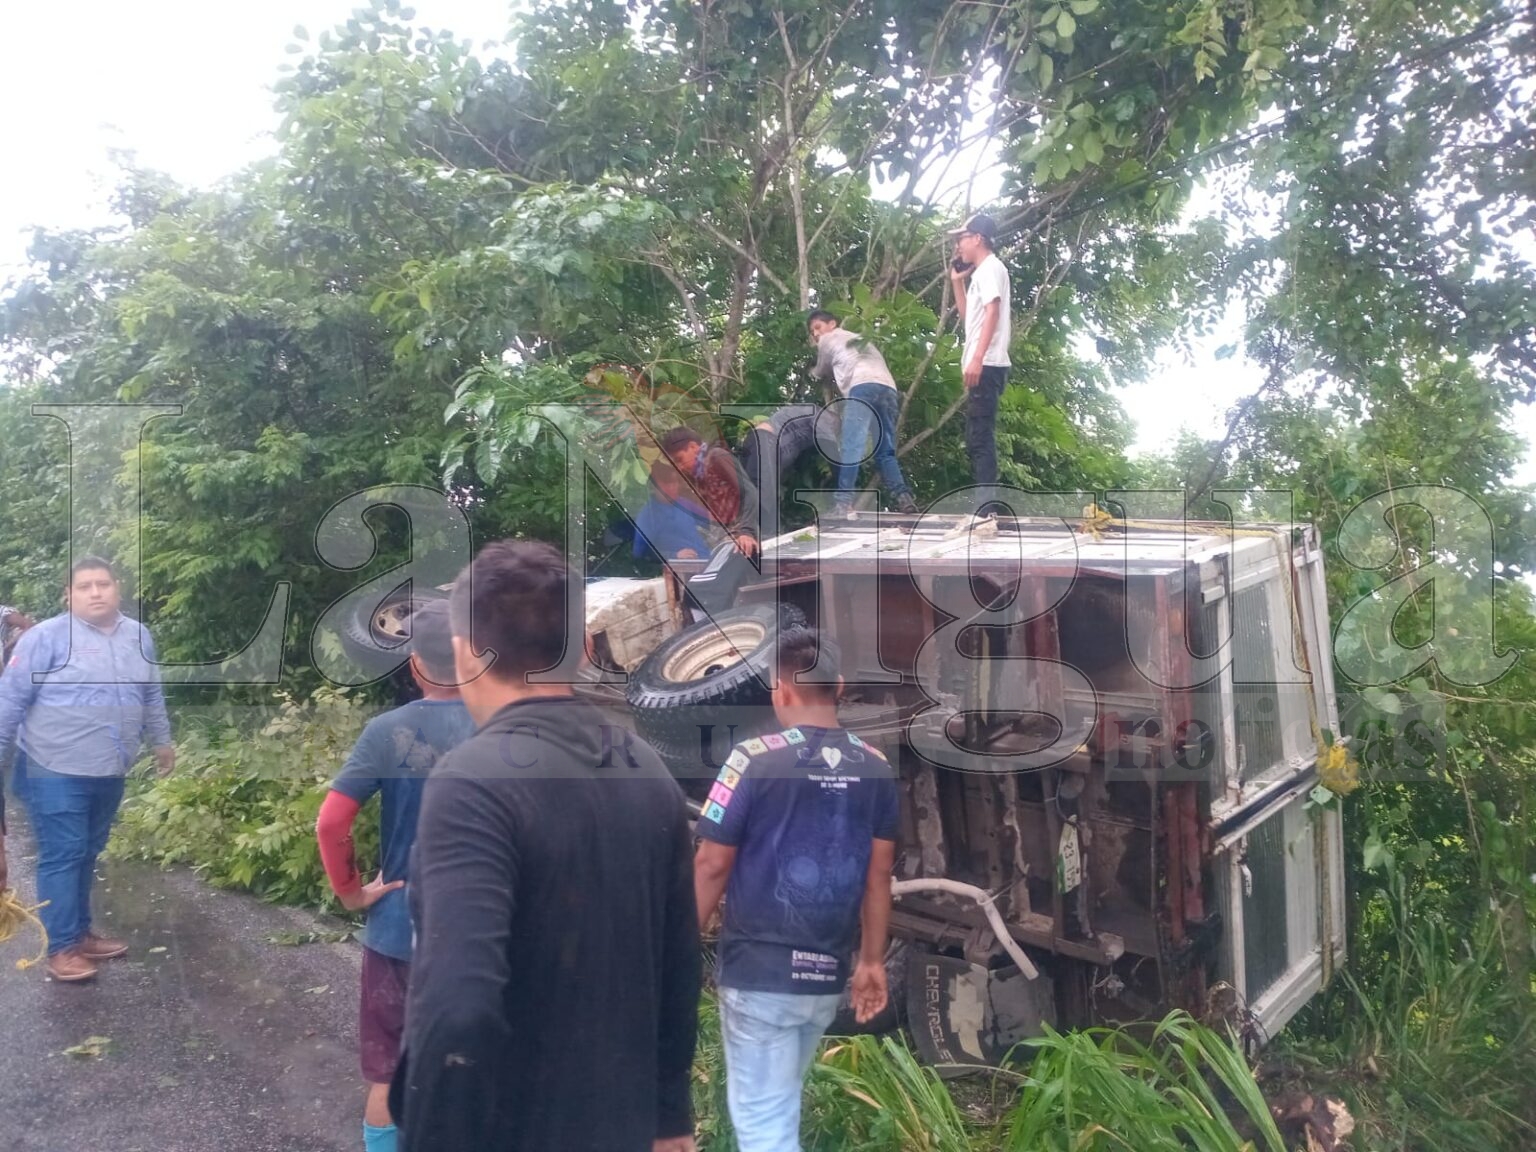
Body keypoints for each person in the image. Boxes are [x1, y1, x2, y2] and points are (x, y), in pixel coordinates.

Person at [389, 540, 701, 1152]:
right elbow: (679, 965)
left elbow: (456, 1008)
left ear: (465, 654)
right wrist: (670, 1119)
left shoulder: (470, 784)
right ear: (584, 647)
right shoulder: (645, 768)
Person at [693, 627, 898, 1152]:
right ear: (841, 685)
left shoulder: (751, 759)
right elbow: (880, 874)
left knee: (765, 1127)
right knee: (779, 1110)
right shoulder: (875, 767)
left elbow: (713, 863)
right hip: (825, 979)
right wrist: (871, 962)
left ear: (780, 689)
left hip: (761, 975)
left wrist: (677, 942)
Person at [316, 600, 475, 1152]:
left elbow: (332, 821)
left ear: (414, 665)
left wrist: (354, 892)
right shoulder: (507, 729)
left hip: (399, 932)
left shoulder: (388, 731)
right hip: (486, 937)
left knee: (388, 1071)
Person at [0, 556, 174, 983]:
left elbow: (150, 692)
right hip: (52, 768)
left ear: (118, 589)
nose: (95, 592)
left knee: (87, 851)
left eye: (103, 584)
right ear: (68, 595)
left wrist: (162, 740)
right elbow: (9, 704)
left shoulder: (139, 636)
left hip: (110, 769)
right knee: (63, 854)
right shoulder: (44, 638)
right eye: (84, 586)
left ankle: (79, 934)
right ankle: (61, 948)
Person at [806, 310, 920, 517]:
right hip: (887, 388)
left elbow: (820, 370)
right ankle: (904, 498)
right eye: (812, 331)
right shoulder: (860, 339)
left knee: (852, 447)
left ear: (832, 324)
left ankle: (843, 504)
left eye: (817, 327)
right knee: (885, 451)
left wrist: (811, 370)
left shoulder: (828, 339)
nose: (815, 334)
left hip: (862, 387)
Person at [947, 212, 1012, 509]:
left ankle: (987, 510)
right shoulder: (981, 274)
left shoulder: (989, 268)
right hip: (984, 362)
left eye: (962, 238)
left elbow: (993, 312)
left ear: (977, 239)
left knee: (980, 437)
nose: (959, 245)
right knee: (976, 436)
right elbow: (970, 320)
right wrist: (957, 283)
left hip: (986, 363)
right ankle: (986, 507)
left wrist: (976, 358)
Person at [660, 425, 761, 556]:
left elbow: (749, 492)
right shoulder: (697, 475)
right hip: (723, 542)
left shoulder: (717, 457)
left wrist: (746, 532)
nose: (679, 467)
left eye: (679, 459)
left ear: (693, 447)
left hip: (741, 540)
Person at [633, 460, 718, 562]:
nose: (672, 487)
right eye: (667, 483)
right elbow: (640, 553)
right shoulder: (648, 515)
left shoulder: (685, 504)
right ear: (654, 486)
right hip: (678, 570)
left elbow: (713, 521)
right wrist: (674, 556)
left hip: (706, 562)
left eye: (675, 482)